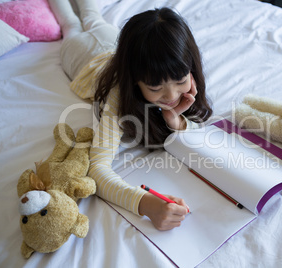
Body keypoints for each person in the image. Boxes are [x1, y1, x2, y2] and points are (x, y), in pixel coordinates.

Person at [48, 0, 212, 231]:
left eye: (181, 81)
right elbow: (97, 168)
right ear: (134, 82)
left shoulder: (177, 67)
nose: (172, 95)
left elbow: (201, 132)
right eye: (155, 89)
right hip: (81, 56)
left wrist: (174, 119)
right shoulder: (118, 95)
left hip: (109, 40)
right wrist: (144, 203)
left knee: (93, 16)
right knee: (71, 24)